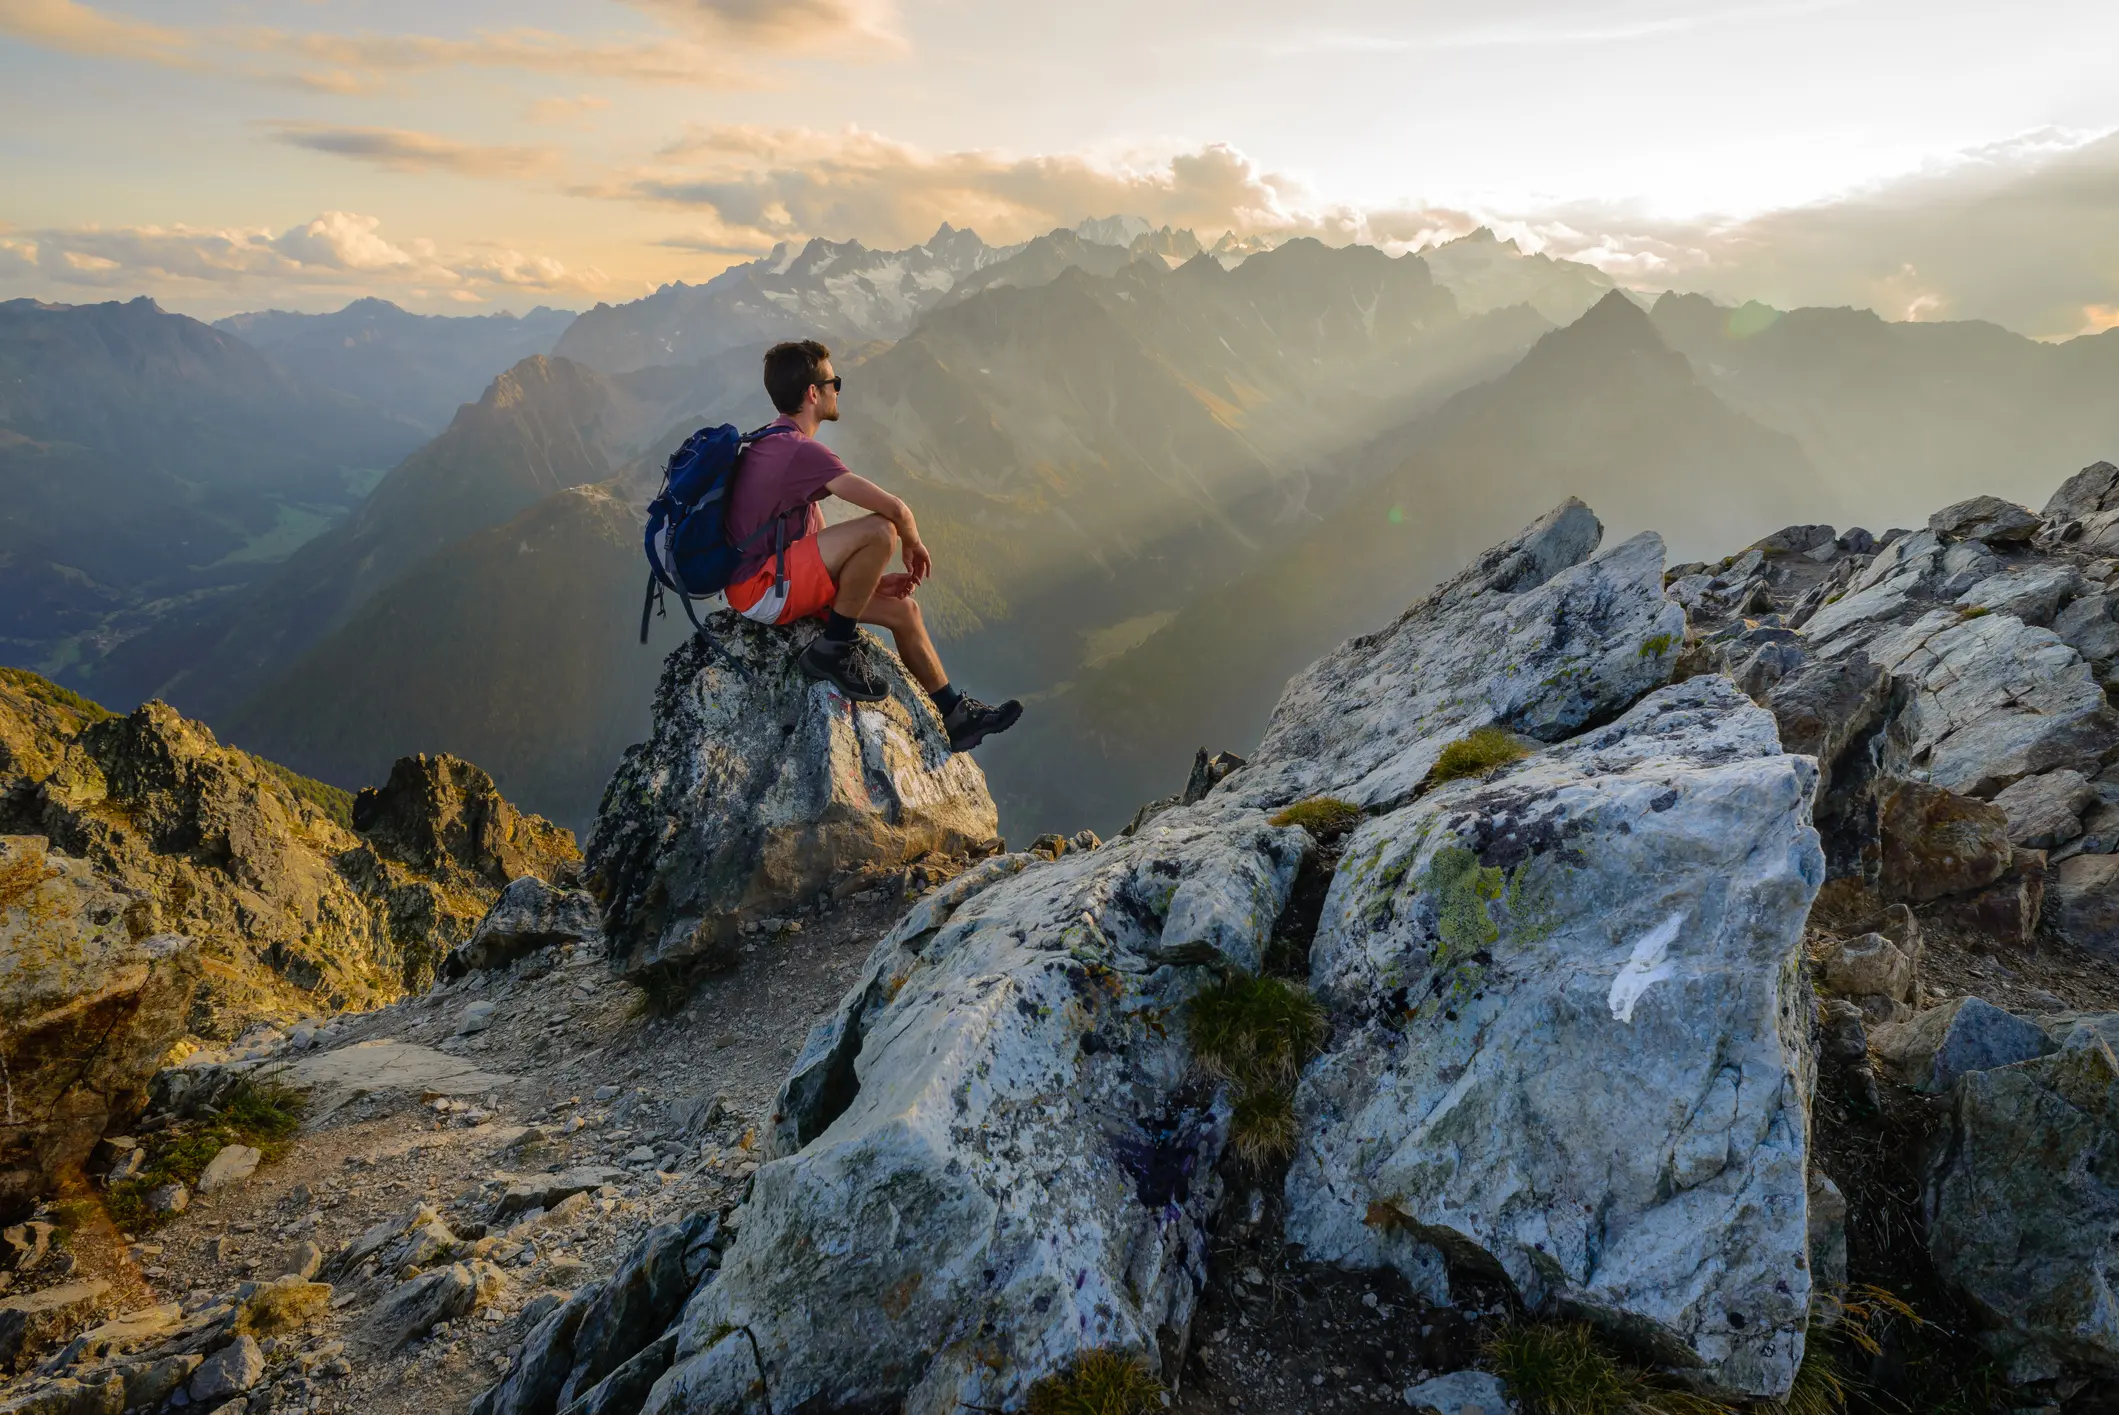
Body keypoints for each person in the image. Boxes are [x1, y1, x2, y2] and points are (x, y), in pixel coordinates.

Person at [723, 339, 1023, 752]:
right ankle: (833, 650)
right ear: (813, 393)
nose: (837, 390)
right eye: (834, 381)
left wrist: (866, 585)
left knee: (906, 611)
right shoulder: (798, 451)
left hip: (777, 583)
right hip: (762, 588)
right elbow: (893, 509)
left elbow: (816, 546)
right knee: (881, 530)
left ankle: (956, 716)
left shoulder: (773, 442)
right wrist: (912, 542)